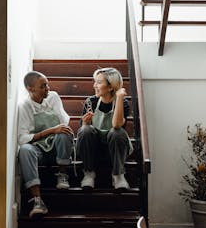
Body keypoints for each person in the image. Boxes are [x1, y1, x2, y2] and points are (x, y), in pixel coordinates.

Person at [17, 71, 74, 218]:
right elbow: (22, 138)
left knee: (64, 132)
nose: (48, 88)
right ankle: (37, 200)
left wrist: (55, 131)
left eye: (47, 84)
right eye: (43, 86)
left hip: (56, 147)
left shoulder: (53, 97)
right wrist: (50, 131)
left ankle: (62, 173)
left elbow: (63, 122)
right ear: (31, 89)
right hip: (39, 151)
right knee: (24, 150)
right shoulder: (25, 106)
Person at [76, 67, 132, 190]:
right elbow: (83, 136)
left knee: (117, 132)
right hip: (93, 151)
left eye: (99, 82)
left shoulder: (124, 103)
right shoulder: (90, 101)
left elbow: (117, 125)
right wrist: (85, 123)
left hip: (114, 151)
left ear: (111, 86)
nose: (94, 85)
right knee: (86, 130)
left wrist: (119, 99)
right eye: (95, 81)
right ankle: (89, 174)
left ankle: (118, 175)